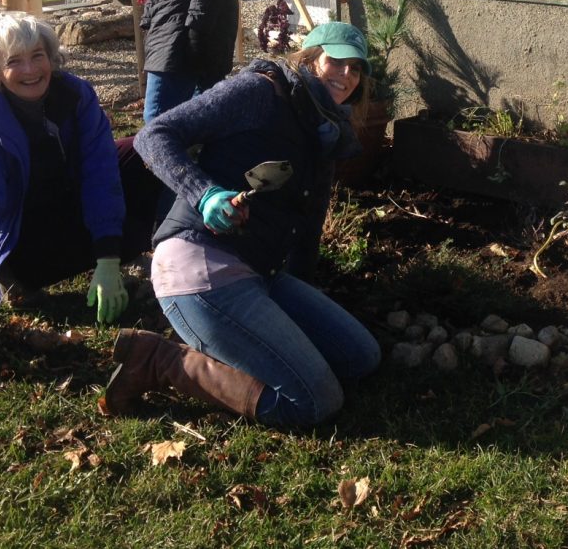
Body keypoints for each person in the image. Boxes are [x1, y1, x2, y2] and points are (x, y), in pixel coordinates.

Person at [103, 22, 380, 426]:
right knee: (316, 402)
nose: (346, 76)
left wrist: (303, 295)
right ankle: (159, 361)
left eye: (356, 69)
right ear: (308, 58)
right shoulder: (259, 93)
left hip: (258, 270)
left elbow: (310, 223)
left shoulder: (326, 131)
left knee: (360, 357)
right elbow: (154, 135)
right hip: (197, 265)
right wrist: (204, 193)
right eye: (335, 61)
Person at [0, 13, 161, 387]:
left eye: (37, 55)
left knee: (140, 152)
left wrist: (107, 257)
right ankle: (18, 282)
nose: (30, 69)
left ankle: (142, 251)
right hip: (18, 246)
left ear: (51, 56)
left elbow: (101, 173)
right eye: (13, 61)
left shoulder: (76, 96)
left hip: (61, 203)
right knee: (8, 249)